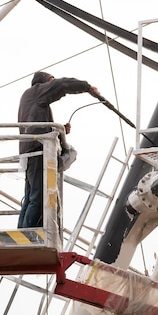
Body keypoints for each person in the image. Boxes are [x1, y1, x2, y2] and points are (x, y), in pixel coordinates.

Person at [17, 71, 98, 228]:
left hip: (29, 150)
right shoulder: (36, 92)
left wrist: (60, 131)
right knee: (38, 197)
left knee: (30, 196)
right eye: (50, 81)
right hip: (38, 149)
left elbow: (39, 125)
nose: (51, 84)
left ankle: (22, 231)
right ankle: (27, 234)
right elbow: (62, 85)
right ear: (43, 82)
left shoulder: (31, 99)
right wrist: (87, 87)